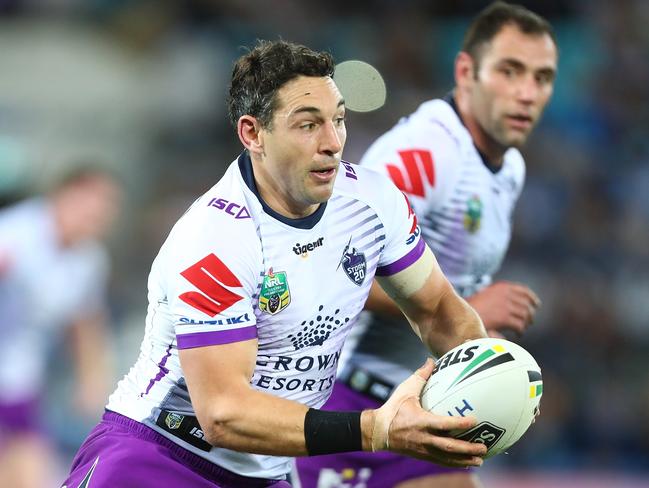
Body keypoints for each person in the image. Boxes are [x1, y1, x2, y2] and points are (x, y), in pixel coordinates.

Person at [62, 39, 491, 488]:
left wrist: (491, 376)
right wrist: (376, 429)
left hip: (266, 472)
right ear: (252, 134)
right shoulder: (214, 238)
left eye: (338, 120)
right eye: (308, 125)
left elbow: (438, 307)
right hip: (159, 462)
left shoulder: (374, 202)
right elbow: (224, 414)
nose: (332, 143)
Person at [294, 2, 558, 487]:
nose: (527, 93)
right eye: (509, 71)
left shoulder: (509, 168)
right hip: (343, 400)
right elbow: (326, 274)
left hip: (420, 408)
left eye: (542, 78)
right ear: (465, 72)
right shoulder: (423, 154)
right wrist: (470, 307)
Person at [0, 166, 121, 488]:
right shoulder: (14, 234)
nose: (96, 216)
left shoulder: (90, 260)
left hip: (20, 378)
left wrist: (92, 377)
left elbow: (85, 320)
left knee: (30, 475)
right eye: (89, 205)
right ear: (64, 197)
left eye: (105, 209)